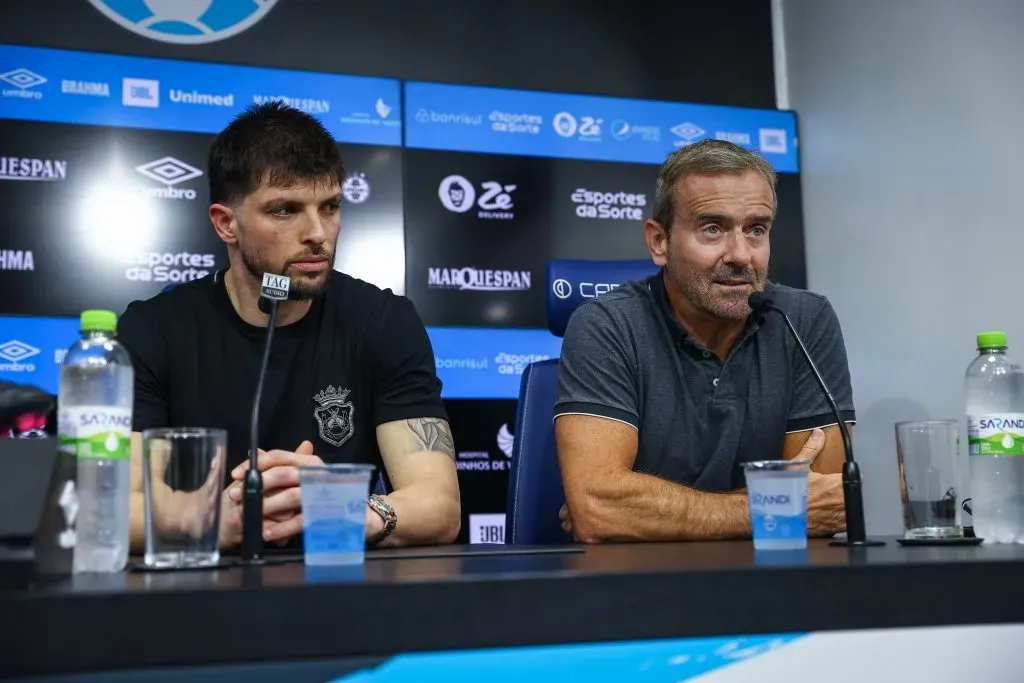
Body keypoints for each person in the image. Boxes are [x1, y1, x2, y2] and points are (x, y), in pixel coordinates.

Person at [118, 102, 460, 551]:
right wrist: (218, 521)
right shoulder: (153, 330)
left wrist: (343, 508)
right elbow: (109, 507)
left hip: (340, 595)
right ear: (226, 224)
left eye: (331, 206)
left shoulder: (385, 320)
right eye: (285, 210)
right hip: (195, 602)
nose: (318, 232)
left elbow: (440, 506)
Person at [554, 139, 849, 543]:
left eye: (756, 230)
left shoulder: (805, 320)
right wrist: (773, 507)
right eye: (712, 229)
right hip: (640, 588)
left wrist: (650, 511)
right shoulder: (608, 325)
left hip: (777, 582)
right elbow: (600, 508)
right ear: (660, 242)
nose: (741, 255)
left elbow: (825, 505)